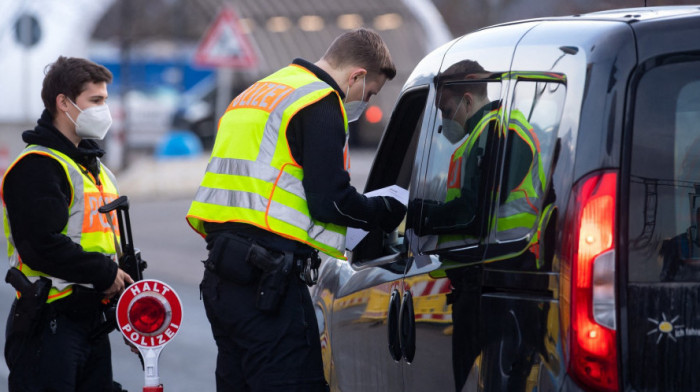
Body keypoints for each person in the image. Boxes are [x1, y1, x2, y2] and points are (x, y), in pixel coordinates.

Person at [187, 28, 406, 391]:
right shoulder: (318, 102)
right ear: (357, 76)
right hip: (265, 282)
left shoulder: (258, 92)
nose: (364, 102)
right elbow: (330, 200)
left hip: (222, 279)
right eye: (369, 93)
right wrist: (386, 210)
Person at [2, 56, 133, 391]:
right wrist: (103, 272)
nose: (105, 109)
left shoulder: (93, 166)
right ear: (64, 103)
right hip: (49, 320)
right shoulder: (37, 166)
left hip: (89, 317)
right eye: (96, 100)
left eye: (105, 100)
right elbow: (40, 245)